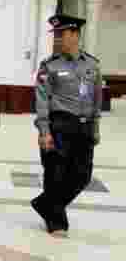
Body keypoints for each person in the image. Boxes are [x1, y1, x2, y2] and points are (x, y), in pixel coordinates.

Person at [31, 14, 102, 237]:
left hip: (84, 126)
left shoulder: (92, 64)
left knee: (82, 176)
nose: (58, 39)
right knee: (55, 174)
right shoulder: (49, 66)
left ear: (75, 35)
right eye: (57, 35)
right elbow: (42, 100)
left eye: (62, 34)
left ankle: (46, 204)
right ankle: (57, 222)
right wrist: (44, 132)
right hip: (59, 124)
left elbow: (96, 98)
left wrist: (96, 127)